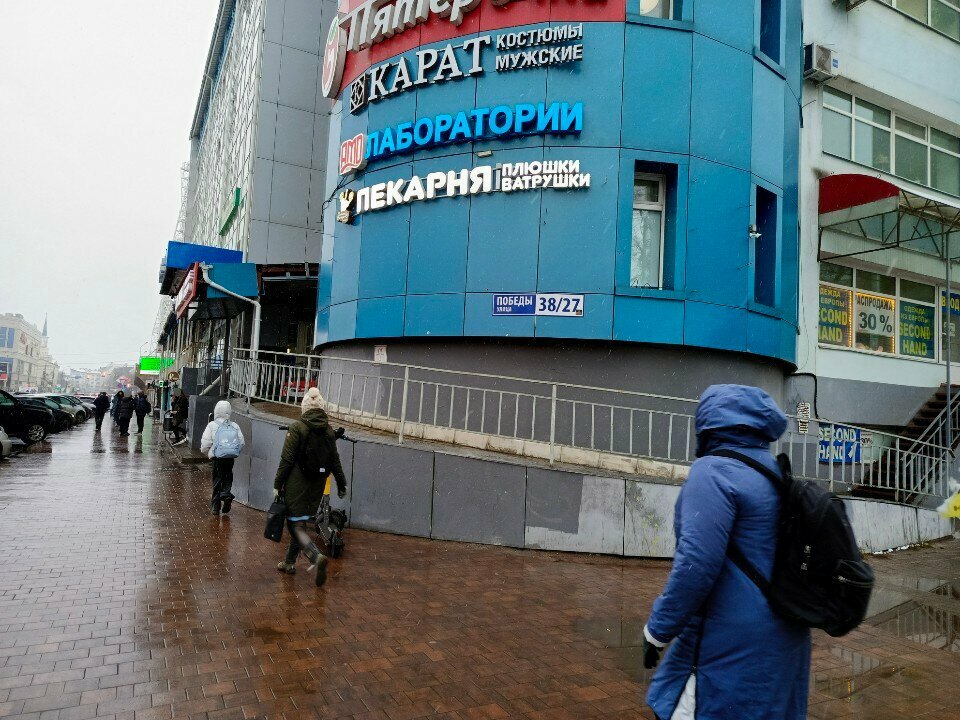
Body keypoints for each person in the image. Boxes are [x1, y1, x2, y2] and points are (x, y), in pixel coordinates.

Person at [642, 385, 810, 720]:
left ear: (707, 422)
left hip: (729, 642)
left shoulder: (712, 471)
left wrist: (658, 631)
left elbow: (696, 565)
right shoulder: (775, 473)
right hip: (785, 635)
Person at [273, 387, 347, 587]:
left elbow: (286, 460)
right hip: (317, 485)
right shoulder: (328, 431)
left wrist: (277, 484)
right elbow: (335, 460)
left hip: (297, 484)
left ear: (304, 407)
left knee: (294, 525)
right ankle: (289, 563)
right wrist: (341, 483)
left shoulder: (297, 427)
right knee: (300, 521)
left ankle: (315, 557)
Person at [199, 400, 245, 514]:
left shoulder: (212, 425)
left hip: (217, 458)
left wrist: (209, 453)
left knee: (217, 479)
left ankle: (216, 506)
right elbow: (241, 443)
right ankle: (226, 494)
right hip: (230, 458)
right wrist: (233, 451)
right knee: (228, 477)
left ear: (216, 411)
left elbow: (205, 444)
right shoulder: (234, 425)